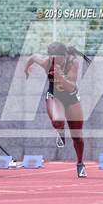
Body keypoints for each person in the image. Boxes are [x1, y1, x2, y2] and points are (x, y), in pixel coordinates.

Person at [24, 42, 91, 178]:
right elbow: (32, 57)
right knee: (57, 120)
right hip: (55, 96)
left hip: (71, 97)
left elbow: (71, 87)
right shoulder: (46, 62)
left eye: (58, 58)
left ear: (65, 56)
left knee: (77, 136)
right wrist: (27, 68)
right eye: (52, 58)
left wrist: (60, 77)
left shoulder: (73, 63)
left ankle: (80, 164)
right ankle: (60, 131)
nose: (56, 61)